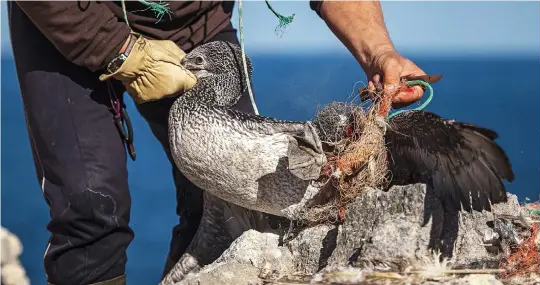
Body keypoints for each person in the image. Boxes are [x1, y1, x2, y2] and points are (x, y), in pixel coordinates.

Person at [7, 1, 428, 284]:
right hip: (66, 16)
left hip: (195, 21)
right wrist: (122, 54)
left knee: (230, 205)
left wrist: (378, 52)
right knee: (90, 207)